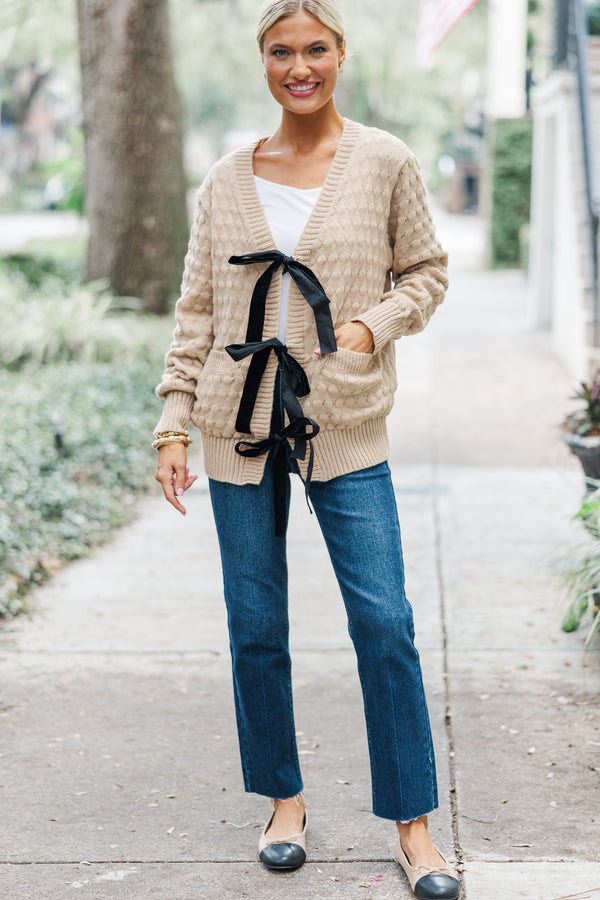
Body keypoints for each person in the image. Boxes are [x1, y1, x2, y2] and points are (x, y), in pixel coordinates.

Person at [153, 1, 459, 897]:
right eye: (282, 51)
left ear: (340, 54)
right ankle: (282, 800)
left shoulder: (384, 161)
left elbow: (428, 270)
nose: (299, 66)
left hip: (346, 419)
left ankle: (415, 826)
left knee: (385, 622)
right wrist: (174, 419)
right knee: (256, 626)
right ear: (263, 61)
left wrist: (372, 324)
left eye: (314, 48)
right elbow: (198, 312)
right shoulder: (225, 179)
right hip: (233, 422)